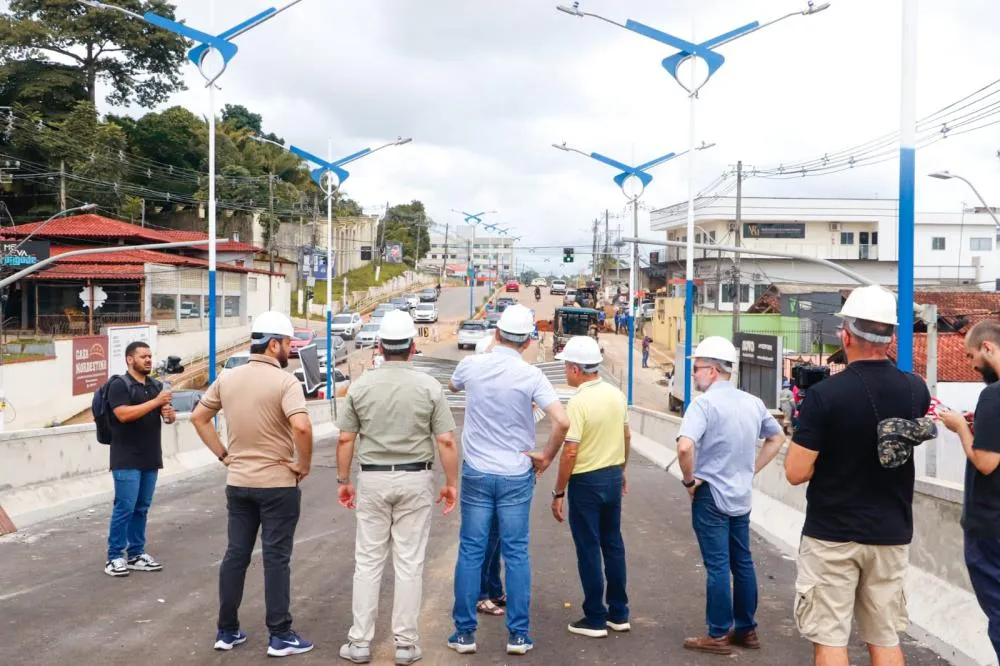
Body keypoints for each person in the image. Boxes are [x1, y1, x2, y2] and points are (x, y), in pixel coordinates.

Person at [785, 285, 931, 666]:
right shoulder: (916, 390)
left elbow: (795, 472)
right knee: (885, 639)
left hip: (832, 535)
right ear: (891, 338)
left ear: (846, 336)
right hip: (891, 534)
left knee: (830, 640)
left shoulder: (824, 396)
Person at [336, 310, 460, 665]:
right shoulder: (429, 387)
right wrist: (451, 483)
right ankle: (405, 645)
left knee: (368, 562)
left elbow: (345, 439)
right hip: (415, 479)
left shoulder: (361, 386)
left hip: (372, 478)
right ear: (412, 346)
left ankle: (360, 642)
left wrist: (344, 481)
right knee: (409, 563)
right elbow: (446, 441)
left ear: (379, 346)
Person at [447, 304, 570, 657]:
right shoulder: (532, 376)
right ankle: (518, 636)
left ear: (497, 333)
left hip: (477, 472)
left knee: (471, 550)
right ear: (529, 341)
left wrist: (488, 351)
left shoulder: (471, 365)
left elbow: (453, 384)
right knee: (516, 553)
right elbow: (562, 421)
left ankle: (464, 634)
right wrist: (546, 455)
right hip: (516, 474)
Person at [191, 311, 315, 657]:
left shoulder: (228, 378)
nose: (289, 350)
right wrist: (303, 464)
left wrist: (223, 455)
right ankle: (280, 634)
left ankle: (227, 630)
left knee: (236, 555)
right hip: (277, 485)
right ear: (273, 344)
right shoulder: (285, 383)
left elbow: (199, 418)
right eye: (287, 343)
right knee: (276, 558)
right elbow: (302, 427)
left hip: (238, 482)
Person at [675, 336, 786, 654]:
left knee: (718, 566)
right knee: (743, 562)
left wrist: (689, 482)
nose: (694, 374)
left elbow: (684, 447)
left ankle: (718, 633)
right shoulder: (753, 403)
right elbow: (777, 438)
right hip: (740, 495)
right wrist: (751, 470)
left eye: (697, 368)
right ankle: (746, 629)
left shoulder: (703, 405)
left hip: (710, 494)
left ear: (712, 370)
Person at [549, 336, 631, 639]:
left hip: (586, 482)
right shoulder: (616, 395)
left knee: (588, 548)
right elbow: (627, 436)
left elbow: (570, 451)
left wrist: (559, 491)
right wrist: (621, 470)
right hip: (612, 476)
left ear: (575, 369)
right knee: (613, 544)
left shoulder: (578, 402)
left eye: (566, 367)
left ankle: (595, 617)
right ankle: (619, 613)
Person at [937, 319, 1000, 661]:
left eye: (970, 355)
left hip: (990, 526)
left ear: (987, 347)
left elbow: (986, 463)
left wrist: (961, 427)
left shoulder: (993, 395)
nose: (970, 364)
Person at [104, 341, 176, 577]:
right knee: (125, 507)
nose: (148, 360)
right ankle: (114, 557)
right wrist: (156, 402)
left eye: (150, 356)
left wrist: (169, 413)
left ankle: (136, 554)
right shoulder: (119, 385)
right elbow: (123, 414)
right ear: (129, 359)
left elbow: (169, 418)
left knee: (141, 508)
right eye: (143, 356)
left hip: (150, 456)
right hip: (126, 457)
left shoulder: (155, 385)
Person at [472, 333, 506, 618]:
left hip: (493, 470)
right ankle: (481, 594)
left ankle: (494, 588)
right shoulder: (487, 392)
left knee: (495, 537)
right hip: (489, 471)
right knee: (487, 538)